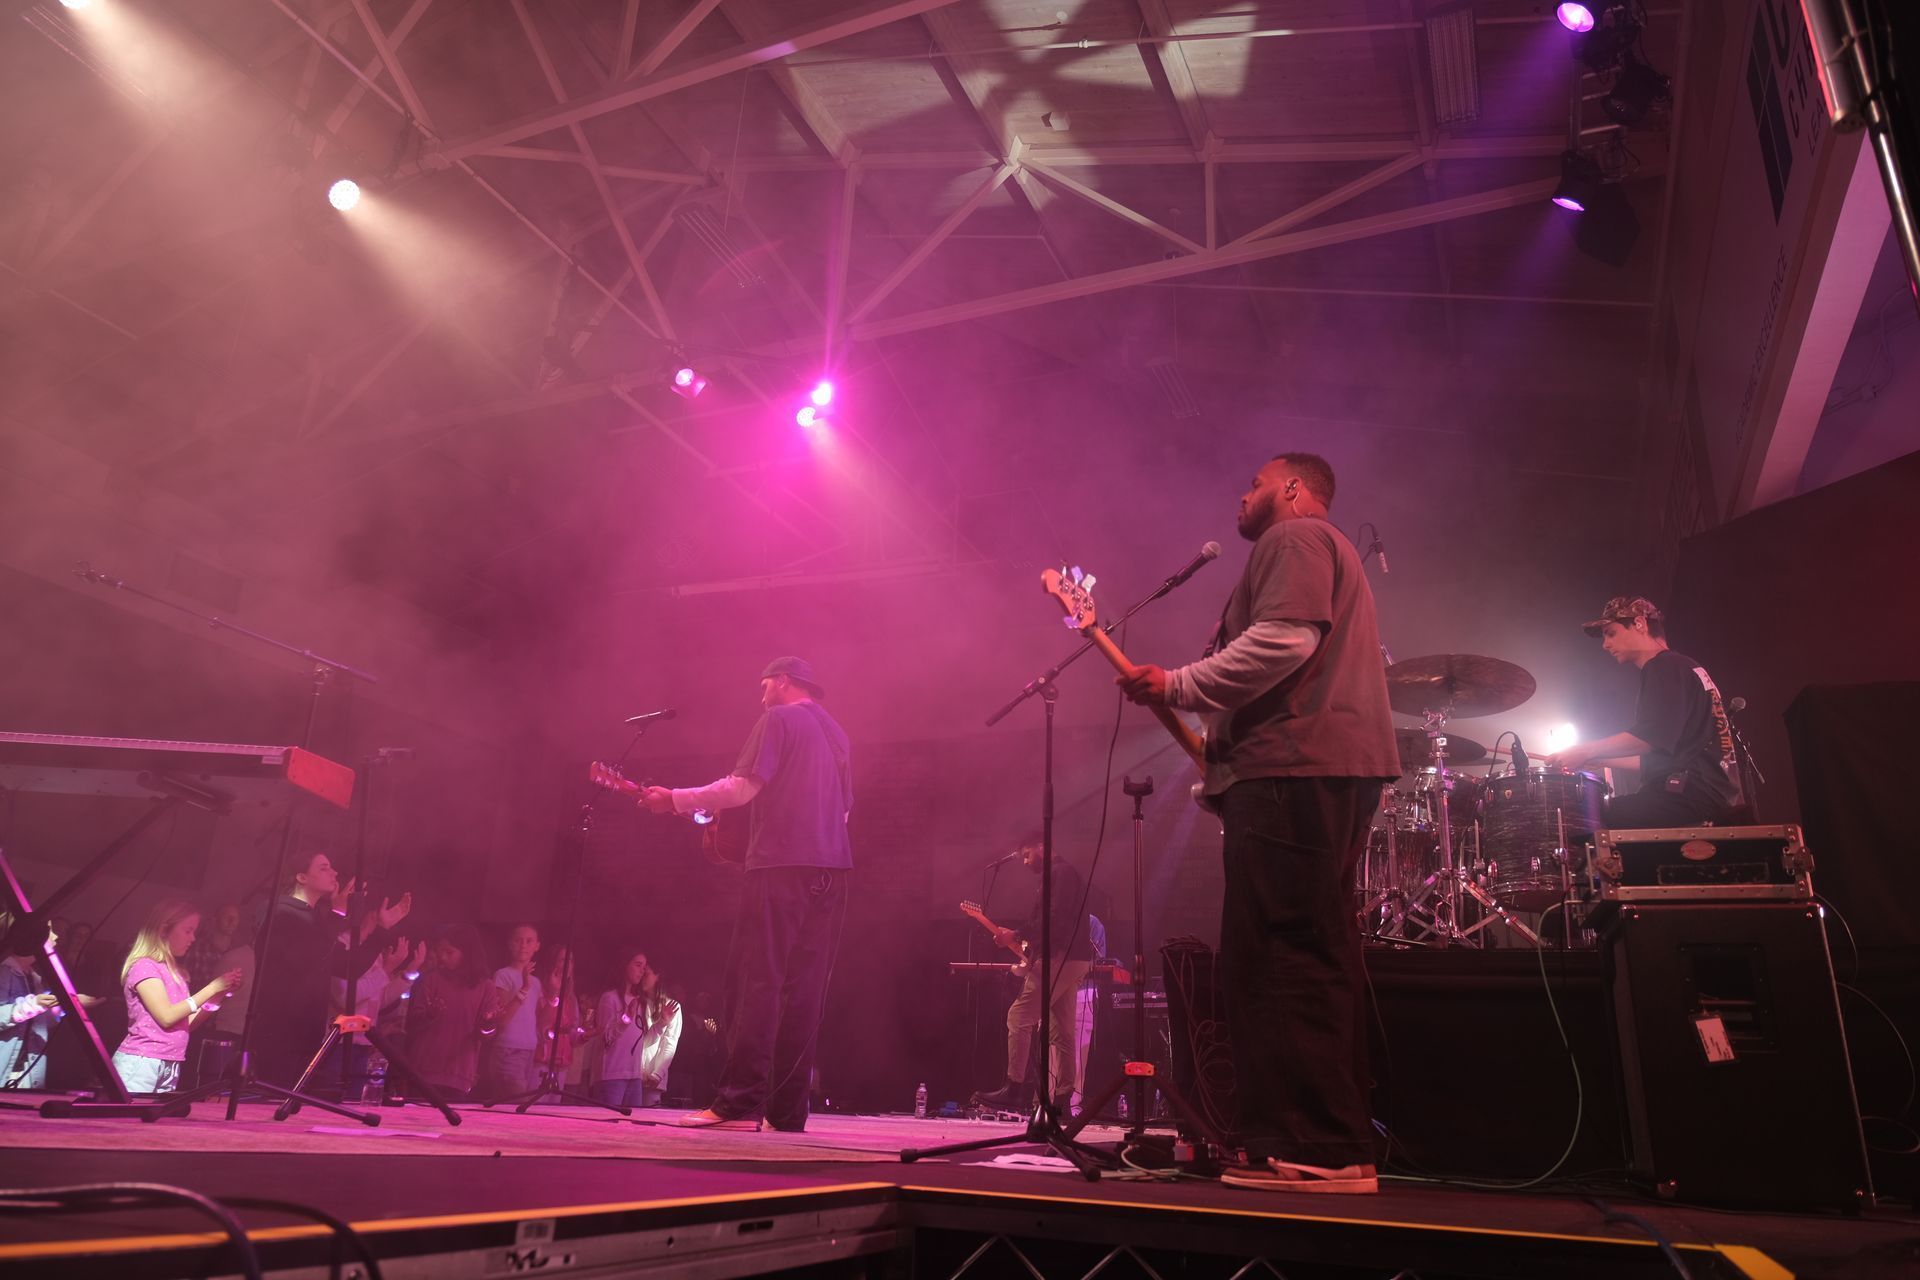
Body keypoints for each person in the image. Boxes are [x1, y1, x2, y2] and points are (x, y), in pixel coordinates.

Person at [1119, 453, 1400, 1194]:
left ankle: (1307, 1148)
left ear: (1295, 489)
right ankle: (1335, 1143)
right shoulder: (1322, 549)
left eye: (1254, 483)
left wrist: (1177, 683)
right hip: (1317, 770)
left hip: (1293, 769)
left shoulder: (1296, 538)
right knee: (1316, 953)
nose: (1241, 494)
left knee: (1276, 958)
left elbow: (1285, 640)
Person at [640, 655, 852, 1133]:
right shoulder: (837, 734)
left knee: (755, 983)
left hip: (779, 868)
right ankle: (787, 1112)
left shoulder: (778, 718)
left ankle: (738, 1105)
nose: (760, 696)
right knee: (805, 993)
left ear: (782, 682)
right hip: (833, 872)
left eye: (763, 686)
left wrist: (674, 799)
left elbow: (741, 789)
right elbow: (842, 815)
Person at [1545, 596, 1745, 828]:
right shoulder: (1683, 666)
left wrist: (1586, 749)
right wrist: (1594, 758)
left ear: (1639, 623)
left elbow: (1649, 738)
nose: (1605, 645)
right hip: (1705, 791)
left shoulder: (1663, 666)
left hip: (1690, 793)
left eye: (1611, 633)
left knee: (1581, 818)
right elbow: (1661, 754)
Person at [251, 852, 409, 1086]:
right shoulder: (279, 911)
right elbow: (312, 954)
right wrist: (338, 913)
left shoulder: (314, 918)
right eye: (324, 868)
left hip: (306, 1032)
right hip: (280, 1031)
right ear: (302, 877)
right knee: (268, 1104)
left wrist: (382, 930)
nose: (334, 873)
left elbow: (347, 967)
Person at [970, 841, 1095, 1114]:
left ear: (1041, 846)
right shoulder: (1063, 874)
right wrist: (1021, 939)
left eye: (1026, 855)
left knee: (1018, 1016)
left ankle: (1015, 1089)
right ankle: (1061, 1098)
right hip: (1074, 959)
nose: (1025, 863)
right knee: (1061, 1028)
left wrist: (1015, 935)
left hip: (1060, 956)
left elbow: (1054, 920)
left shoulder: (1060, 874)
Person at [112, 900, 244, 1094]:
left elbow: (186, 1024)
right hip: (142, 1063)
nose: (192, 938)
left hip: (170, 1062)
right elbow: (167, 1017)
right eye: (188, 931)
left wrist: (218, 995)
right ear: (164, 930)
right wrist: (212, 987)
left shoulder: (176, 972)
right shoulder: (145, 966)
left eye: (194, 932)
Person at [400, 924, 492, 1102]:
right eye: (440, 951)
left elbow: (486, 1035)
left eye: (449, 952)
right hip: (424, 1070)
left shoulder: (485, 987)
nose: (442, 957)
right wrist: (430, 1015)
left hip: (459, 1073)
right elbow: (412, 1025)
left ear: (467, 953)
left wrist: (488, 1024)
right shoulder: (431, 979)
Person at [594, 950, 682, 1109]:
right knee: (608, 1125)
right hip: (614, 1075)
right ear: (624, 966)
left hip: (634, 1078)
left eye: (644, 967)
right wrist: (625, 1019)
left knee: (635, 1128)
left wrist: (662, 1023)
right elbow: (605, 1039)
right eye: (638, 965)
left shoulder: (639, 1001)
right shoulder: (610, 998)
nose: (642, 971)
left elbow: (643, 1042)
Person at [479, 923, 542, 1099]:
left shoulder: (537, 982)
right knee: (515, 1100)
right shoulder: (503, 975)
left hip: (529, 1048)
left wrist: (553, 992)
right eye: (518, 940)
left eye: (529, 941)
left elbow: (537, 1019)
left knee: (521, 1101)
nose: (523, 945)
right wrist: (523, 989)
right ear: (510, 944)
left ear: (537, 946)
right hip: (509, 1048)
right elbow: (502, 1019)